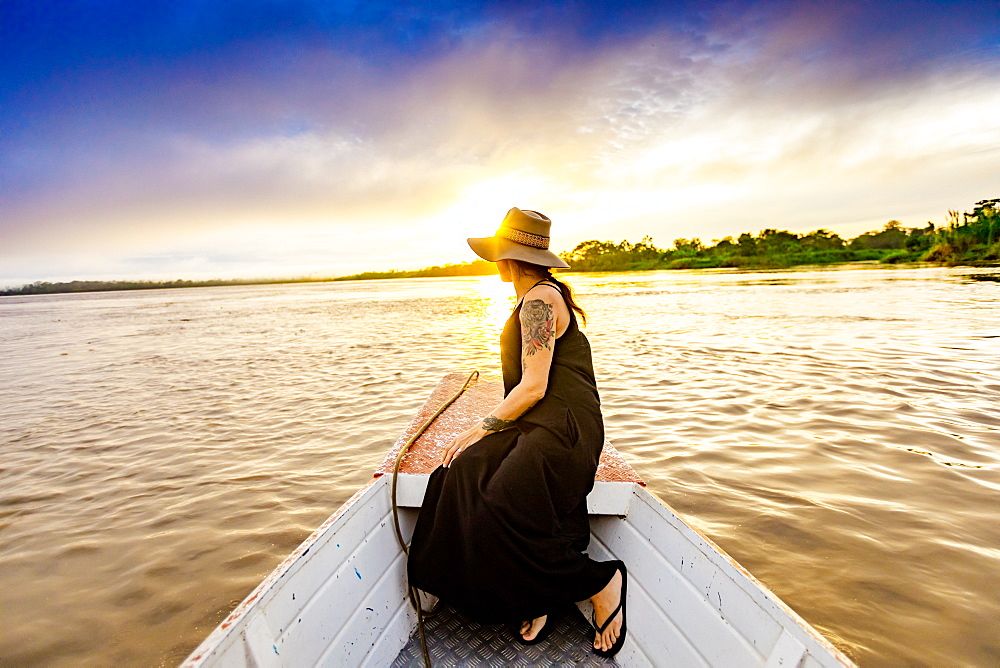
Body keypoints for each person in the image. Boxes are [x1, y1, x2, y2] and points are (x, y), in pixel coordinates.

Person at [407, 207, 627, 657]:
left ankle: (601, 581)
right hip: (540, 423)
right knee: (459, 474)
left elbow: (533, 386)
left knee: (500, 501)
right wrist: (482, 438)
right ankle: (537, 593)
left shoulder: (540, 301)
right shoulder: (537, 296)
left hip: (563, 430)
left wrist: (479, 428)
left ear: (507, 260)